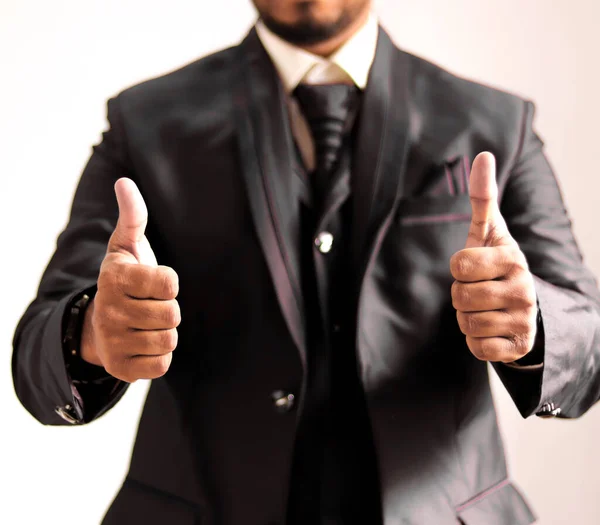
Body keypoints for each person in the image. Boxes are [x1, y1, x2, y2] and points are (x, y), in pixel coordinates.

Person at [12, 0, 600, 523]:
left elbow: (590, 347)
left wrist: (535, 326)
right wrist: (91, 334)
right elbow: (36, 357)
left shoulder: (497, 123)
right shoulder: (144, 123)